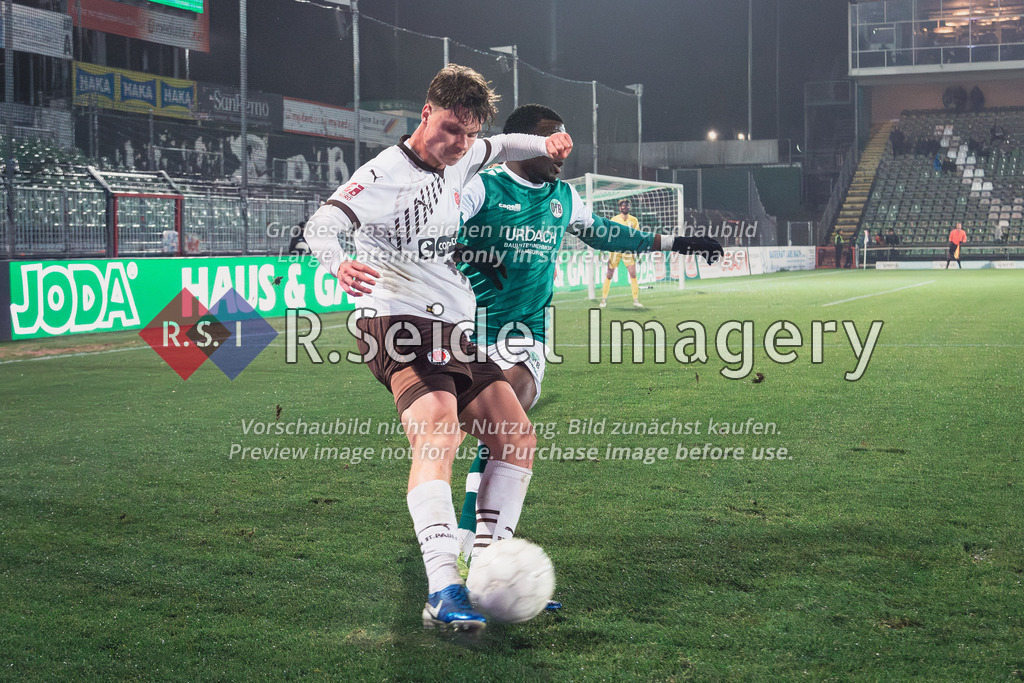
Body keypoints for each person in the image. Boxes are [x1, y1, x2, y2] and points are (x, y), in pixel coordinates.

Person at [302, 64, 573, 633]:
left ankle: (490, 567)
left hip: (452, 329)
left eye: (470, 134)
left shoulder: (469, 155)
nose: (461, 144)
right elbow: (323, 222)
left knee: (516, 437)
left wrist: (546, 143)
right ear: (426, 113)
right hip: (395, 322)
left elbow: (507, 144)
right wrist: (335, 262)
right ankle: (444, 586)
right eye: (451, 129)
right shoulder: (385, 172)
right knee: (439, 431)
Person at [452, 104, 723, 562]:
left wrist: (680, 243)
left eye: (565, 140)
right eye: (550, 138)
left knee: (505, 418)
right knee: (477, 438)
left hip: (525, 337)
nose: (561, 151)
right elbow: (436, 235)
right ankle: (466, 545)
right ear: (520, 141)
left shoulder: (564, 198)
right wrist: (473, 255)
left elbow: (608, 234)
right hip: (466, 334)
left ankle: (479, 550)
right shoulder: (483, 186)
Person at [599, 199, 645, 307]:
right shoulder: (614, 220)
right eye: (623, 206)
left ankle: (636, 300)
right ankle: (603, 300)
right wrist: (603, 248)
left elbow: (637, 236)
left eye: (627, 206)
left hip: (628, 251)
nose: (625, 207)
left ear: (629, 207)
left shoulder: (634, 220)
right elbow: (608, 235)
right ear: (620, 208)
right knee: (609, 274)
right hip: (615, 250)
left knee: (633, 274)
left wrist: (638, 254)